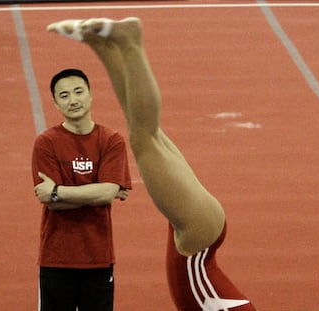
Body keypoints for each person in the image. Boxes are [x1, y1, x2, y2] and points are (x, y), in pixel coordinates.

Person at [47, 17, 256, 311]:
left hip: (200, 236)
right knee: (144, 138)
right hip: (196, 238)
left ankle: (102, 45)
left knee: (146, 132)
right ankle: (130, 42)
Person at [32, 68, 132, 311]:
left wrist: (58, 190)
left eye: (78, 92)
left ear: (90, 95)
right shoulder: (46, 142)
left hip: (98, 257)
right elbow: (51, 202)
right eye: (64, 95)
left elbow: (107, 193)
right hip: (56, 258)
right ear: (55, 103)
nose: (73, 100)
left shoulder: (111, 140)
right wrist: (98, 192)